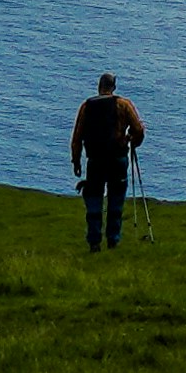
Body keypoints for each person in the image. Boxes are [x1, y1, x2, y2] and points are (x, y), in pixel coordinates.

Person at [70, 70, 147, 250]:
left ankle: (94, 242)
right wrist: (132, 141)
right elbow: (139, 130)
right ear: (114, 87)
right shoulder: (124, 104)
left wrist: (76, 162)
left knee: (94, 200)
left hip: (95, 160)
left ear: (99, 86)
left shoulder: (86, 106)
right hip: (117, 159)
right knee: (116, 200)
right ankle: (113, 240)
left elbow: (77, 138)